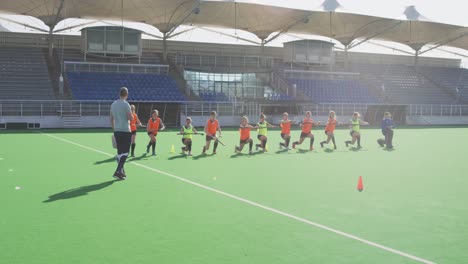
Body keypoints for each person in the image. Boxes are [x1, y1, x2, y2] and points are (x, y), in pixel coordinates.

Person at [110, 87, 133, 180]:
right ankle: (118, 170)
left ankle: (121, 172)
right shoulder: (126, 104)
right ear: (126, 94)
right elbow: (130, 118)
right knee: (126, 152)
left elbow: (111, 118)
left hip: (117, 130)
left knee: (120, 152)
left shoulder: (113, 104)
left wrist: (114, 128)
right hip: (125, 130)